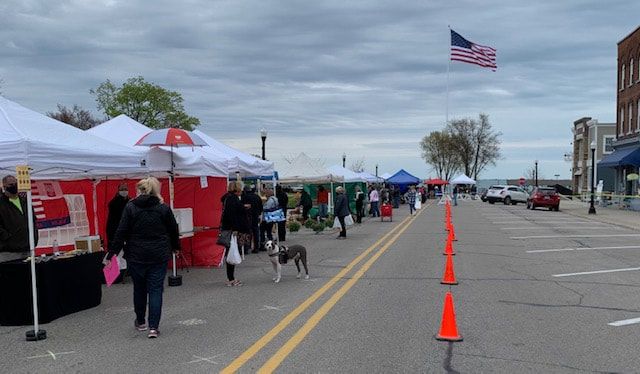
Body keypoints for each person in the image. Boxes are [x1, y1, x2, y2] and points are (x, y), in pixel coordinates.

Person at [107, 177, 180, 339]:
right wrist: (175, 247)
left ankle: (140, 321)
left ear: (139, 190)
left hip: (136, 254)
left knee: (139, 288)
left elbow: (121, 231)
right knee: (155, 289)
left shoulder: (131, 207)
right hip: (158, 253)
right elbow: (173, 229)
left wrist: (111, 253)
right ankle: (153, 327)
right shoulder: (163, 208)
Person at [0, 175, 38, 263]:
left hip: (28, 248)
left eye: (15, 183)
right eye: (11, 184)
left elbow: (33, 221)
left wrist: (34, 236)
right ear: (4, 187)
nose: (14, 186)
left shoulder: (25, 201)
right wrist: (9, 238)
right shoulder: (1, 204)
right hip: (9, 252)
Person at [221, 181, 251, 286]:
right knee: (232, 252)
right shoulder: (232, 199)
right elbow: (232, 215)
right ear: (237, 189)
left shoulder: (228, 198)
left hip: (231, 229)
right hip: (233, 230)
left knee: (232, 252)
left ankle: (231, 278)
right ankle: (231, 279)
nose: (241, 191)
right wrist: (235, 229)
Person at [106, 183, 130, 250]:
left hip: (127, 230)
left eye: (125, 189)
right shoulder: (114, 202)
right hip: (115, 229)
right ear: (118, 191)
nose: (124, 191)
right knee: (115, 250)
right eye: (122, 189)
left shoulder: (130, 201)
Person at [241, 185, 262, 254]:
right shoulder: (257, 197)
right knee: (256, 232)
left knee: (247, 232)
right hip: (255, 216)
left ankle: (246, 248)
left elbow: (241, 207)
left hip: (247, 217)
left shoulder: (244, 197)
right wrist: (258, 214)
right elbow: (261, 208)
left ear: (245, 191)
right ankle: (256, 248)